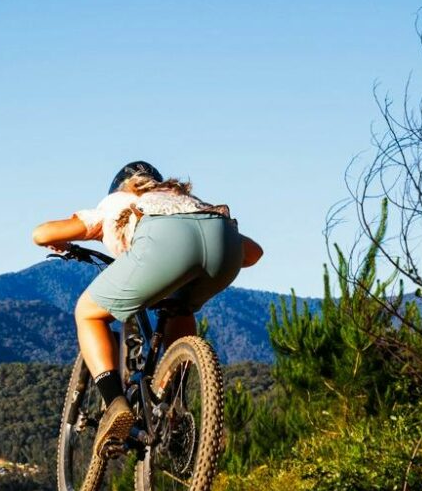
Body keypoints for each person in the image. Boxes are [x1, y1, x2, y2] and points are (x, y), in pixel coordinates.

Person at [30, 161, 263, 439]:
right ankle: (171, 401)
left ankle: (115, 403)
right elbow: (253, 253)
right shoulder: (180, 197)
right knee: (179, 307)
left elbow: (41, 234)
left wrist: (66, 244)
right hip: (224, 242)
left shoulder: (116, 203)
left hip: (162, 241)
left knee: (88, 313)